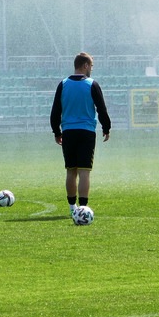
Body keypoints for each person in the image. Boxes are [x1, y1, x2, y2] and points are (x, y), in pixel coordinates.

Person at [50, 52, 111, 221]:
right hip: (86, 132)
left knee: (71, 170)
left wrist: (57, 131)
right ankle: (83, 208)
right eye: (91, 66)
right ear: (84, 65)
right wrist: (106, 127)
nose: (91, 69)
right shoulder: (92, 84)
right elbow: (102, 109)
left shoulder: (63, 85)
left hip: (69, 132)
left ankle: (72, 208)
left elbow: (55, 111)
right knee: (85, 171)